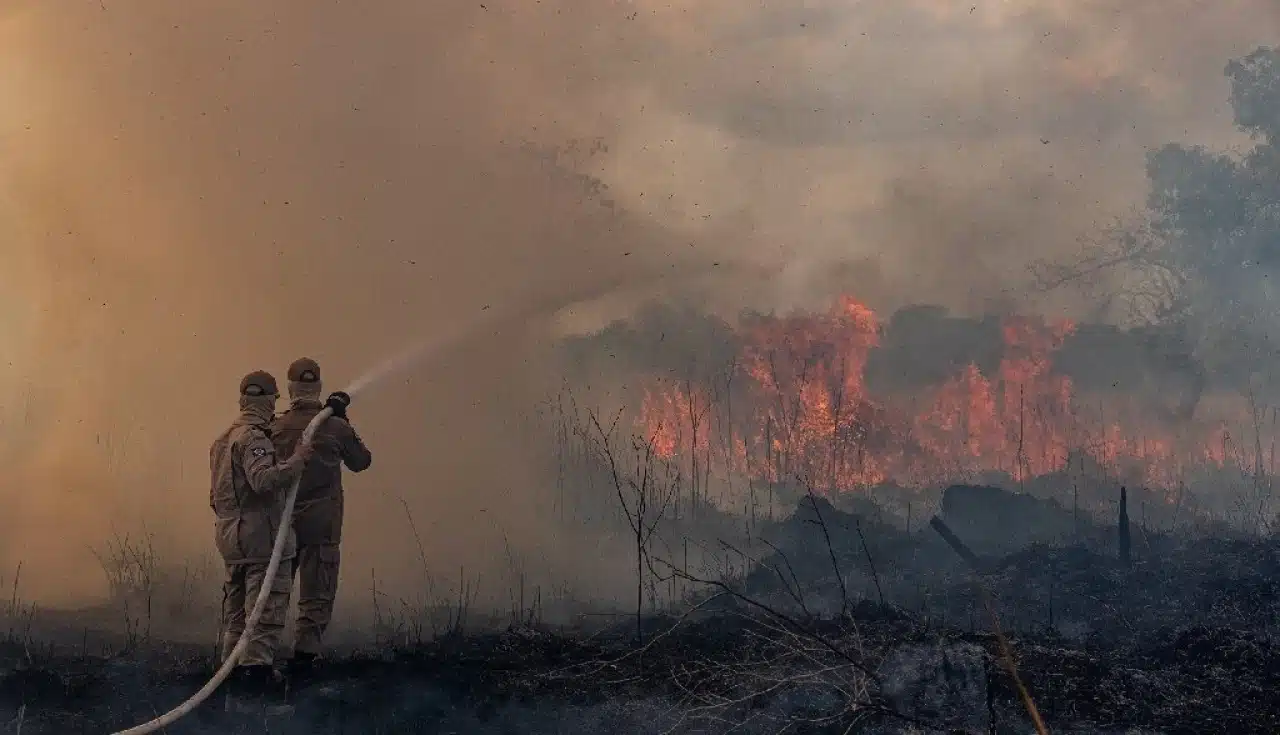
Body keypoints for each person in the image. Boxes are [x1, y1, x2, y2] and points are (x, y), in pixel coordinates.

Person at [210, 370, 313, 709]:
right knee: (264, 614)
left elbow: (216, 497)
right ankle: (253, 698)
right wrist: (297, 462)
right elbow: (264, 480)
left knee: (236, 617)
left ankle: (227, 688)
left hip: (231, 540)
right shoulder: (253, 438)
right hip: (262, 542)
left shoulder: (223, 439)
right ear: (269, 401)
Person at [270, 357, 372, 676]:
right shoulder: (335, 427)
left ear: (289, 388)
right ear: (318, 388)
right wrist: (343, 419)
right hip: (322, 522)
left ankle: (260, 653)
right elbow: (361, 462)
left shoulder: (274, 427)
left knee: (273, 586)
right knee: (317, 589)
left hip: (281, 524)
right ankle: (305, 658)